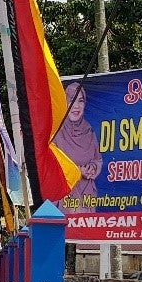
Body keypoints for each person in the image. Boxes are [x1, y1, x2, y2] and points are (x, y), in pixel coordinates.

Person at [52, 82, 101, 214]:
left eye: (80, 101)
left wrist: (92, 169)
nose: (76, 106)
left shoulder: (89, 131)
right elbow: (53, 165)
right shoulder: (56, 132)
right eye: (71, 100)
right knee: (68, 233)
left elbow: (98, 159)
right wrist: (78, 172)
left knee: (88, 233)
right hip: (65, 198)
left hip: (87, 195)